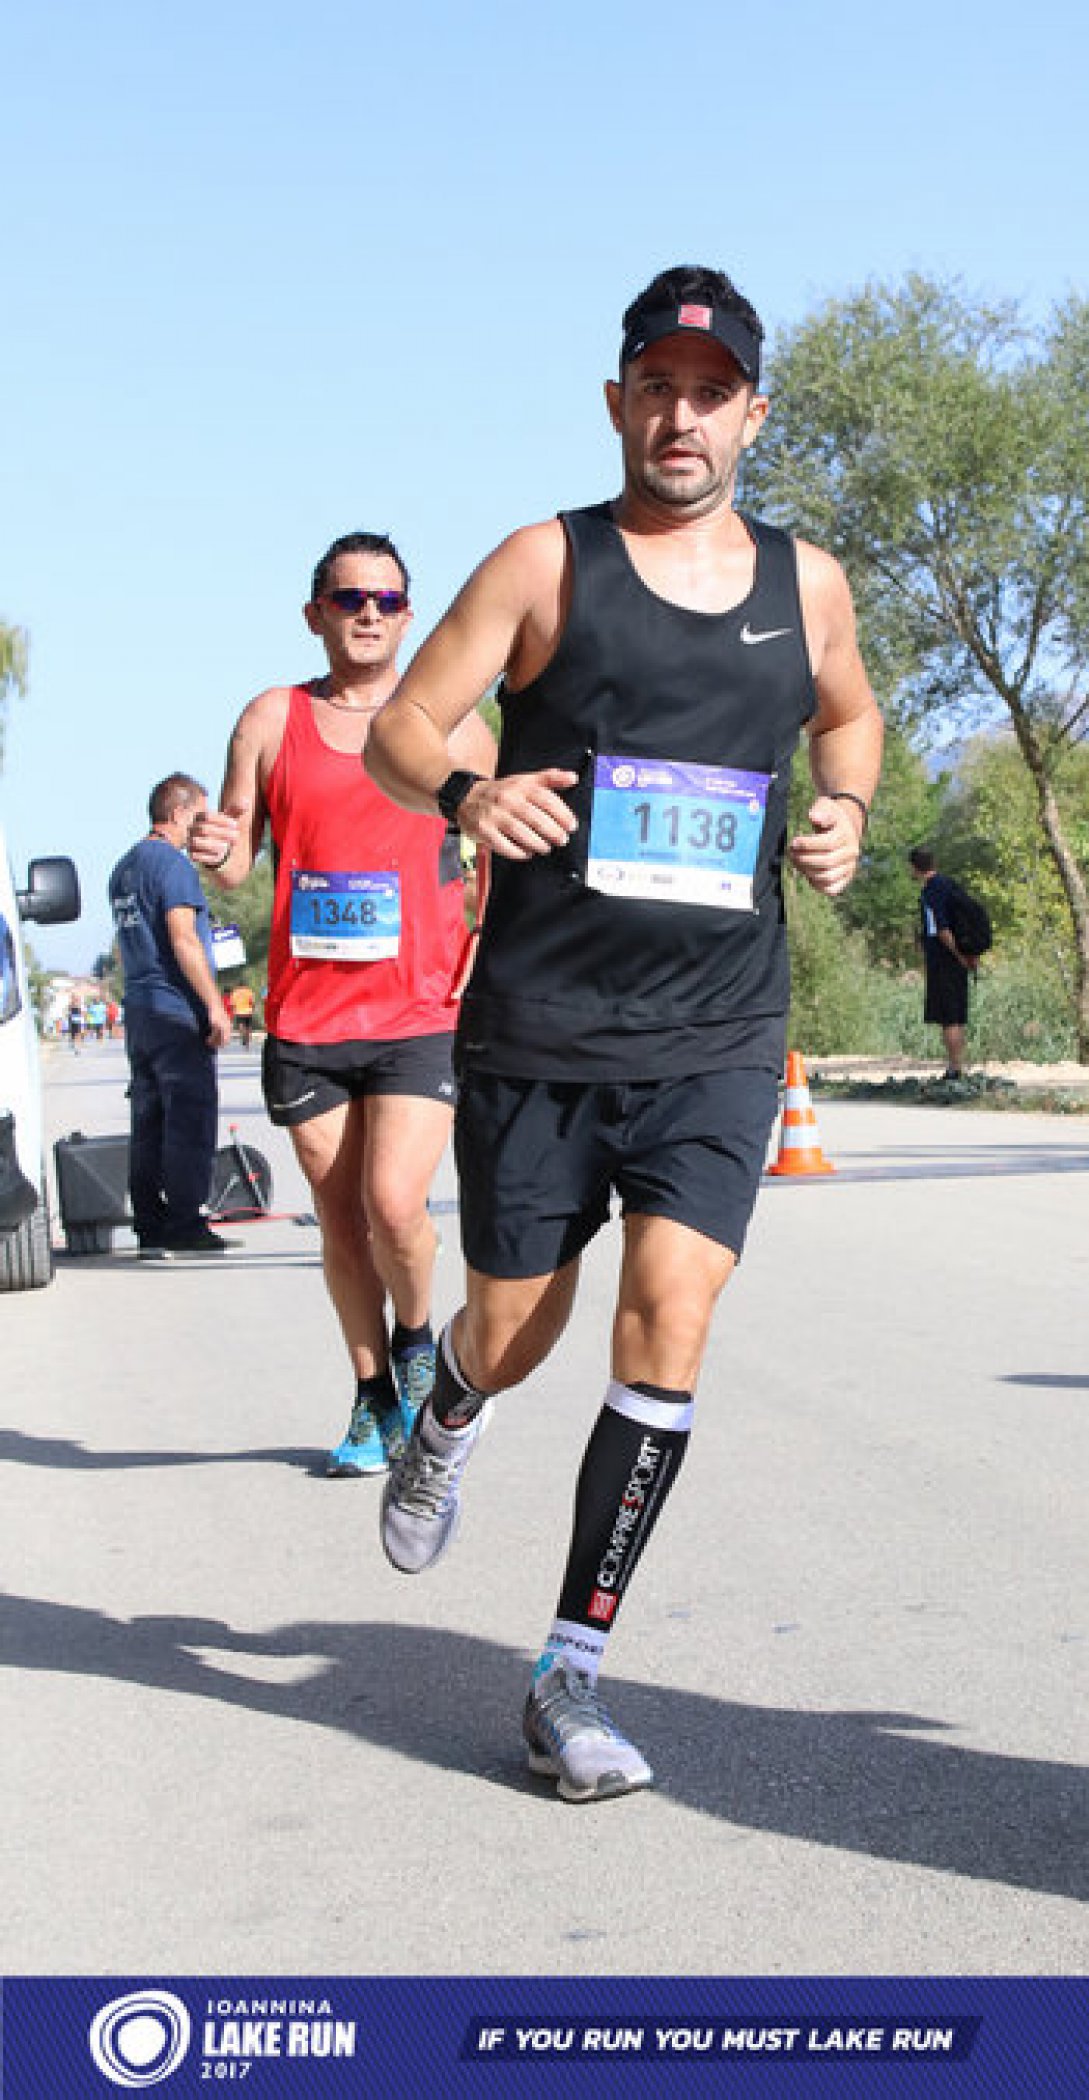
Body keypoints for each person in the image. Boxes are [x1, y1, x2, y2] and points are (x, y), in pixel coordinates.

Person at [364, 263, 884, 1802]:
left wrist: (847, 807)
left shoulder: (809, 584)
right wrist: (469, 792)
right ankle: (449, 1408)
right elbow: (402, 726)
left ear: (753, 415)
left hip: (720, 1029)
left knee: (669, 1313)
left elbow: (849, 713)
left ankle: (569, 1673)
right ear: (617, 402)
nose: (681, 417)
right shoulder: (549, 563)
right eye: (657, 388)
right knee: (515, 1334)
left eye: (710, 393)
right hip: (542, 1027)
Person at [189, 533, 496, 1476]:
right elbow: (237, 856)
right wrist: (214, 848)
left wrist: (487, 948)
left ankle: (416, 1343)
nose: (369, 612)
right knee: (340, 1219)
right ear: (314, 613)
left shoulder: (455, 726)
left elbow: (497, 854)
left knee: (395, 1205)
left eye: (387, 600)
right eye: (350, 597)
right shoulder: (270, 718)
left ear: (409, 617)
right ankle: (372, 1399)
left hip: (419, 1011)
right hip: (309, 1016)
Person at [108, 774, 234, 1257]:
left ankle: (150, 1223)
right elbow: (183, 938)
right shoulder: (173, 866)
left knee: (149, 1120)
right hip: (175, 1010)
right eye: (199, 817)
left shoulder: (123, 868)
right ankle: (185, 1223)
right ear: (178, 813)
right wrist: (214, 1005)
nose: (201, 829)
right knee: (189, 1118)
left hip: (140, 1010)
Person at [909, 845, 975, 1079]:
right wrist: (968, 955)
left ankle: (955, 1068)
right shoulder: (951, 885)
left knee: (949, 1017)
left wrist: (957, 954)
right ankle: (958, 1065)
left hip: (945, 960)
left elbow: (941, 929)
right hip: (959, 958)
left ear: (914, 867)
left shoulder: (931, 891)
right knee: (956, 1014)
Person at [228, 982, 257, 1050]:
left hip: (239, 1012)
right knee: (248, 1026)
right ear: (245, 985)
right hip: (248, 1011)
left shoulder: (235, 992)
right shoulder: (249, 991)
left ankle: (243, 1036)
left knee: (241, 1025)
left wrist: (233, 1010)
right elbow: (252, 1002)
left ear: (238, 986)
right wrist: (253, 1009)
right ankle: (247, 1039)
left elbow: (232, 1004)